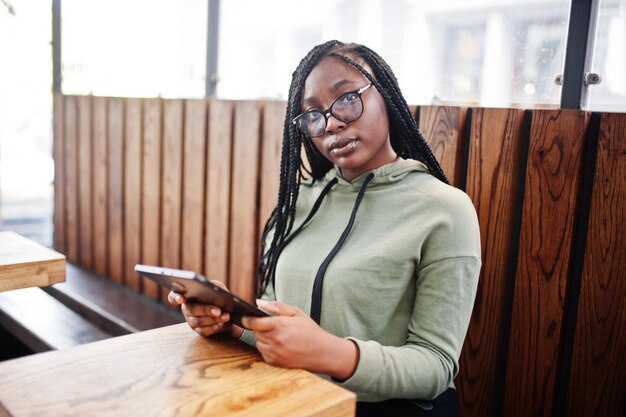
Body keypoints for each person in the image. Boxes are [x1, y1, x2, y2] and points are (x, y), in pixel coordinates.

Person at [169, 40, 481, 416]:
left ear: (386, 95)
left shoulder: (445, 209)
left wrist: (332, 354)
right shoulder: (299, 201)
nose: (331, 122)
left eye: (347, 97)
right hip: (293, 399)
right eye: (312, 115)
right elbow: (279, 329)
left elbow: (436, 366)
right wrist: (231, 322)